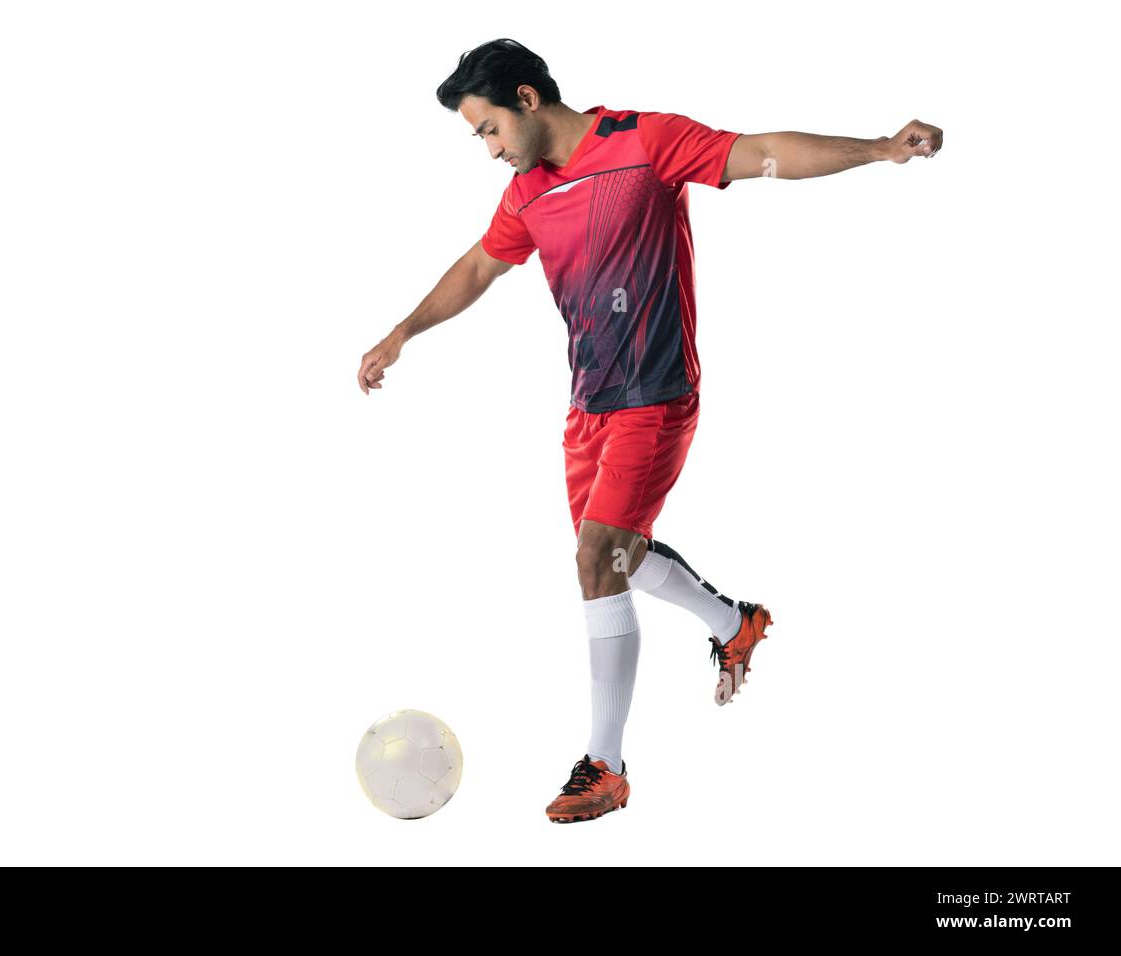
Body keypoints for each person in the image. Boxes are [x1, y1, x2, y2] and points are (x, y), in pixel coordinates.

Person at [356, 38, 942, 824]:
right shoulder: (528, 192)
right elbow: (477, 267)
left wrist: (877, 149)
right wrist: (403, 331)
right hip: (588, 404)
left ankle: (606, 766)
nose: (489, 149)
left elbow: (760, 151)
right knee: (618, 560)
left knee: (598, 560)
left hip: (655, 393)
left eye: (489, 129)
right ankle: (736, 624)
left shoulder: (643, 141)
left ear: (527, 99)